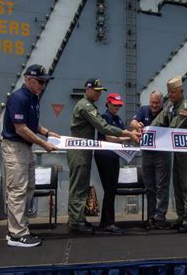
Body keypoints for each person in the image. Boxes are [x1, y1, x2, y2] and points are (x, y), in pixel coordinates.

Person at [67, 78, 141, 234]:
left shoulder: (90, 106)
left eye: (100, 91)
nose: (98, 93)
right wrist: (128, 133)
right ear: (87, 89)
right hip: (79, 151)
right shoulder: (86, 106)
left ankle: (78, 218)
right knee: (78, 186)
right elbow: (103, 127)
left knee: (81, 186)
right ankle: (75, 222)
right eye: (96, 90)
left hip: (84, 151)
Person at [1, 64, 60, 247]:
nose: (43, 85)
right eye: (40, 81)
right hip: (15, 147)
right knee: (18, 190)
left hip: (25, 148)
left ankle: (20, 228)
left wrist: (47, 132)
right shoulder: (19, 98)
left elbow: (32, 124)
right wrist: (44, 144)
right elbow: (21, 128)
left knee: (29, 188)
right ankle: (17, 234)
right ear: (28, 79)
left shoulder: (33, 98)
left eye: (44, 82)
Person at [151, 76, 187, 233]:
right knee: (178, 183)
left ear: (181, 91)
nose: (170, 95)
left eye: (173, 92)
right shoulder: (171, 106)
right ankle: (181, 216)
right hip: (178, 150)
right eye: (169, 92)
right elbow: (159, 120)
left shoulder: (186, 108)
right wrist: (148, 131)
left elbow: (172, 127)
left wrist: (157, 133)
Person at [130, 90, 171, 229]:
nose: (154, 105)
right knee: (150, 188)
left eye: (157, 103)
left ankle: (160, 217)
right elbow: (133, 122)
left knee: (162, 187)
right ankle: (151, 217)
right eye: (152, 102)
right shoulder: (143, 110)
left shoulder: (166, 113)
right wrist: (137, 125)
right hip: (147, 154)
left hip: (162, 154)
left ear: (162, 102)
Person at [94, 93, 131, 234]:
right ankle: (109, 223)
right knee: (110, 189)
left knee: (111, 190)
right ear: (108, 104)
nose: (117, 107)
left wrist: (132, 134)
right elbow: (109, 138)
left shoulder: (118, 119)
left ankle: (105, 222)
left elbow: (123, 134)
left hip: (113, 157)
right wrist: (128, 137)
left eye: (119, 105)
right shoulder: (105, 118)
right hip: (105, 156)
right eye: (114, 105)